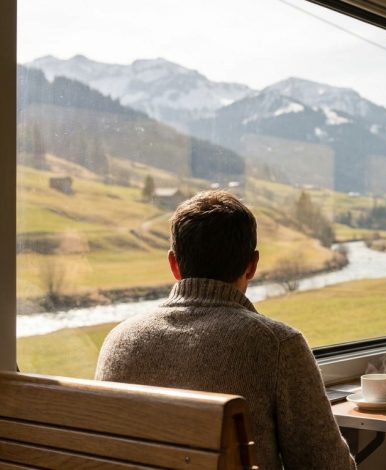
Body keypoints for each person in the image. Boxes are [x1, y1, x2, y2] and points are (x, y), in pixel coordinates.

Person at [95, 191, 356, 470]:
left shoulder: (117, 341)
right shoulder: (278, 345)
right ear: (252, 265)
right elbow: (327, 465)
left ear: (174, 264)